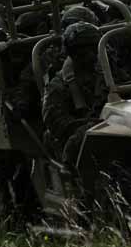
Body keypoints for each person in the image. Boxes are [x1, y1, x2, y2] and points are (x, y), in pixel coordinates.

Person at [42, 21, 106, 165]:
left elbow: (128, 86)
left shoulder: (107, 68)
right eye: (83, 51)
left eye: (93, 49)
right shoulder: (60, 83)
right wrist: (83, 127)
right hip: (83, 134)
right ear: (73, 53)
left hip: (113, 123)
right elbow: (54, 119)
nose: (90, 55)